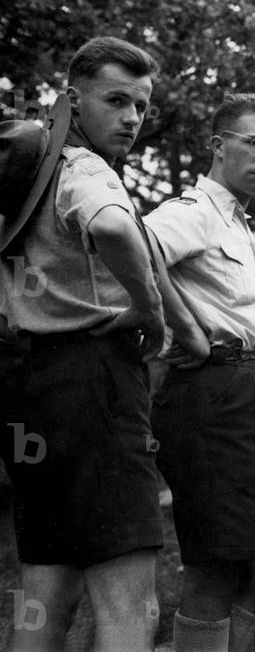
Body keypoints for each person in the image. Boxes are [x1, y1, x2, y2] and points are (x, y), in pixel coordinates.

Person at [0, 37, 166, 651]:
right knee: (129, 602)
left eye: (141, 107)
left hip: (30, 391)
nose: (130, 118)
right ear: (73, 99)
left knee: (45, 593)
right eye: (115, 100)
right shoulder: (84, 166)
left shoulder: (28, 177)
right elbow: (114, 225)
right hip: (95, 383)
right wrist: (148, 309)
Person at [145, 93, 255, 652]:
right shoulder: (192, 212)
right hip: (209, 392)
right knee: (216, 569)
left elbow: (224, 294)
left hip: (250, 387)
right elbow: (132, 254)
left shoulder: (238, 224)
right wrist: (183, 328)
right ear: (218, 145)